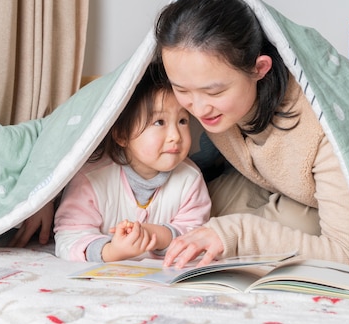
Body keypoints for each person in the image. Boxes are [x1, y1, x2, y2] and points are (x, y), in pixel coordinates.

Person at [154, 0, 349, 269]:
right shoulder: (205, 96)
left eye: (214, 92)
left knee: (252, 230)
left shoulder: (325, 127)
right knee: (184, 206)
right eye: (182, 89)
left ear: (260, 68)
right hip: (277, 183)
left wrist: (237, 234)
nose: (198, 109)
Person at [26, 62, 211, 262]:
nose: (175, 135)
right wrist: (112, 251)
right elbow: (70, 236)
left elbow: (196, 235)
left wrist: (155, 235)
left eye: (183, 121)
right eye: (159, 122)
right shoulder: (91, 178)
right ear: (122, 134)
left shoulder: (190, 179)